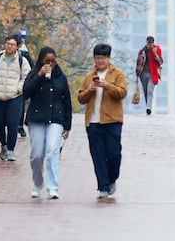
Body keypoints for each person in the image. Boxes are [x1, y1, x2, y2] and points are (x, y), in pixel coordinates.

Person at [78, 43, 127, 199]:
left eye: (103, 58)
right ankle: (103, 187)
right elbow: (81, 98)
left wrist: (107, 85)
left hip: (112, 120)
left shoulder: (117, 74)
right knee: (98, 155)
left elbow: (122, 93)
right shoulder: (88, 77)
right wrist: (90, 90)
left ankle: (112, 179)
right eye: (97, 58)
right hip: (93, 122)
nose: (100, 61)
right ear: (94, 59)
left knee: (114, 154)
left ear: (109, 58)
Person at [23, 46, 72, 199]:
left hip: (56, 118)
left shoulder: (60, 77)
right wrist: (39, 75)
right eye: (47, 61)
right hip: (37, 118)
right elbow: (25, 92)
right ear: (41, 61)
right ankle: (38, 183)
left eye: (53, 61)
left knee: (52, 151)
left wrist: (67, 125)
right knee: (37, 154)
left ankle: (53, 187)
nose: (50, 64)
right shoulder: (34, 74)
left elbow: (67, 101)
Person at [0, 35, 31, 161]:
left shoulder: (22, 60)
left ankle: (11, 150)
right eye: (7, 43)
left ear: (17, 47)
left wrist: (19, 88)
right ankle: (3, 144)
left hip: (15, 97)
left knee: (13, 124)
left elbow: (27, 77)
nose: (9, 46)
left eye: (12, 44)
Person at [135, 36, 163, 115]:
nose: (149, 45)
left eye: (151, 43)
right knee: (145, 91)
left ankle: (148, 107)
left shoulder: (157, 49)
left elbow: (160, 62)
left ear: (153, 43)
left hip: (153, 73)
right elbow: (138, 63)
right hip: (143, 74)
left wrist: (155, 54)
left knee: (150, 90)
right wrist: (137, 75)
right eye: (148, 43)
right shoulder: (142, 51)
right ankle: (148, 106)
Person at [17, 35, 35, 138]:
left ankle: (19, 125)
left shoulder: (20, 57)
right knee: (21, 105)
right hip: (19, 84)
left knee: (20, 105)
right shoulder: (27, 57)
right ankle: (19, 125)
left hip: (22, 85)